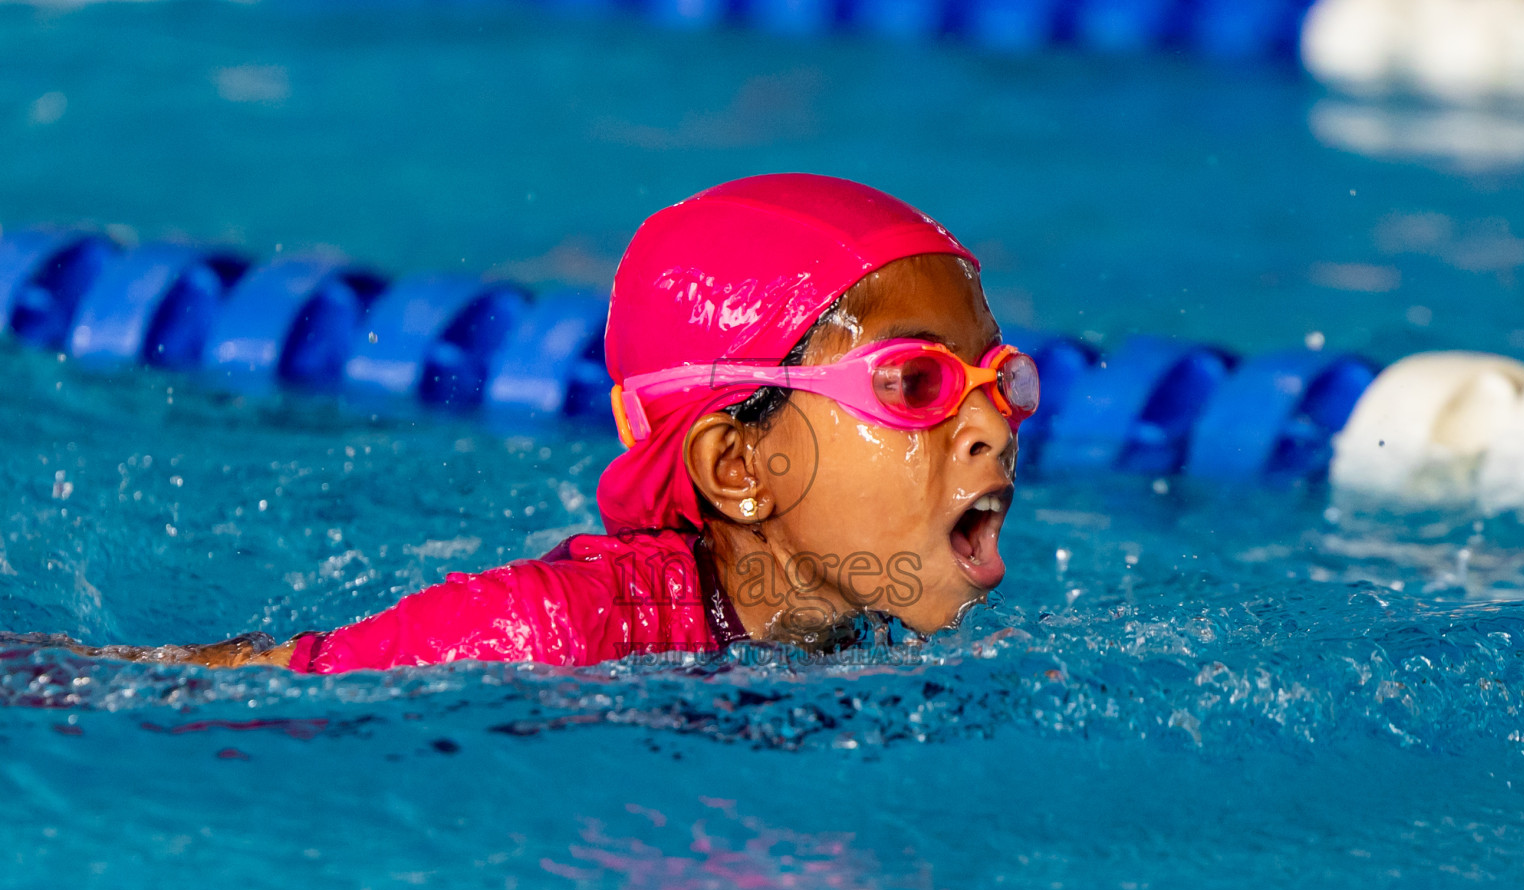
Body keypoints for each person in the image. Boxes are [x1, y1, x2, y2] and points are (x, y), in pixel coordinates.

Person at [62, 173, 1036, 672]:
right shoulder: (551, 628)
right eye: (915, 383)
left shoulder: (861, 627)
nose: (992, 421)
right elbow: (243, 685)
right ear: (738, 464)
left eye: (998, 373)